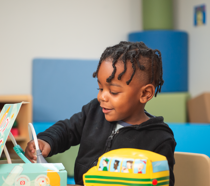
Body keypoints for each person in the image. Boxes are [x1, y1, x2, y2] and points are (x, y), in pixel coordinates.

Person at [25, 41, 176, 186]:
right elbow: (66, 129)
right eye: (100, 88)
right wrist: (46, 142)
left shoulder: (159, 139)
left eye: (114, 92)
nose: (101, 97)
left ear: (145, 93)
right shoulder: (94, 111)